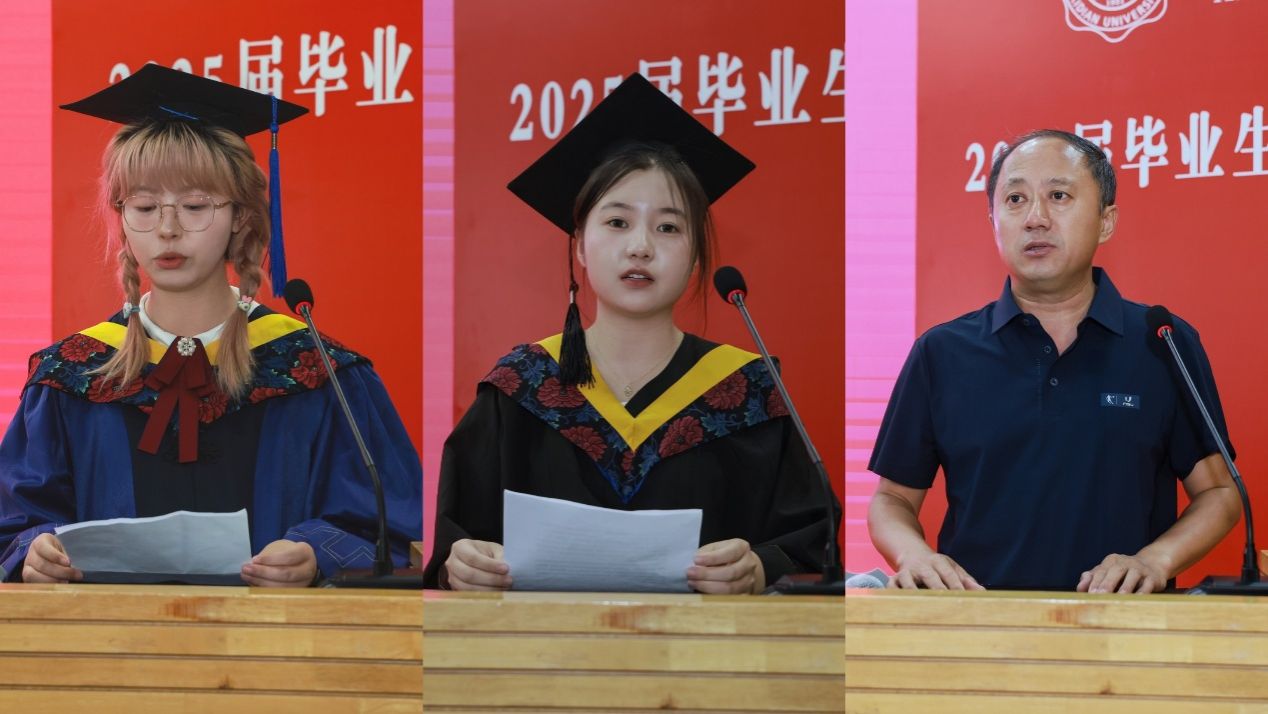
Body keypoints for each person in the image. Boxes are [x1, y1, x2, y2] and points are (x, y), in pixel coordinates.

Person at [0, 64, 422, 585]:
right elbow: (17, 521)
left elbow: (386, 528)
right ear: (122, 217)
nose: (168, 229)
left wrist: (317, 555)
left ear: (240, 216)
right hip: (110, 635)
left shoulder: (316, 372)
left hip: (279, 635)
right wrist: (35, 552)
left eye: (195, 206)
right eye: (145, 206)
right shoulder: (72, 376)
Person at [424, 74, 835, 593]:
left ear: (696, 258)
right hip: (539, 643)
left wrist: (760, 567)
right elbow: (460, 540)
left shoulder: (748, 394)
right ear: (579, 245)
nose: (641, 246)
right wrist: (463, 565)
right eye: (617, 223)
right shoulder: (519, 389)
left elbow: (811, 545)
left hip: (712, 645)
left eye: (669, 227)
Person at [867, 129, 1241, 593]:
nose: (1035, 218)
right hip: (975, 623)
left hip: (1125, 623)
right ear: (993, 221)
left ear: (1106, 221)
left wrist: (1154, 561)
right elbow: (892, 500)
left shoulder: (1162, 341)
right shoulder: (941, 352)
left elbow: (1219, 493)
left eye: (1058, 196)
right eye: (1015, 199)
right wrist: (915, 555)